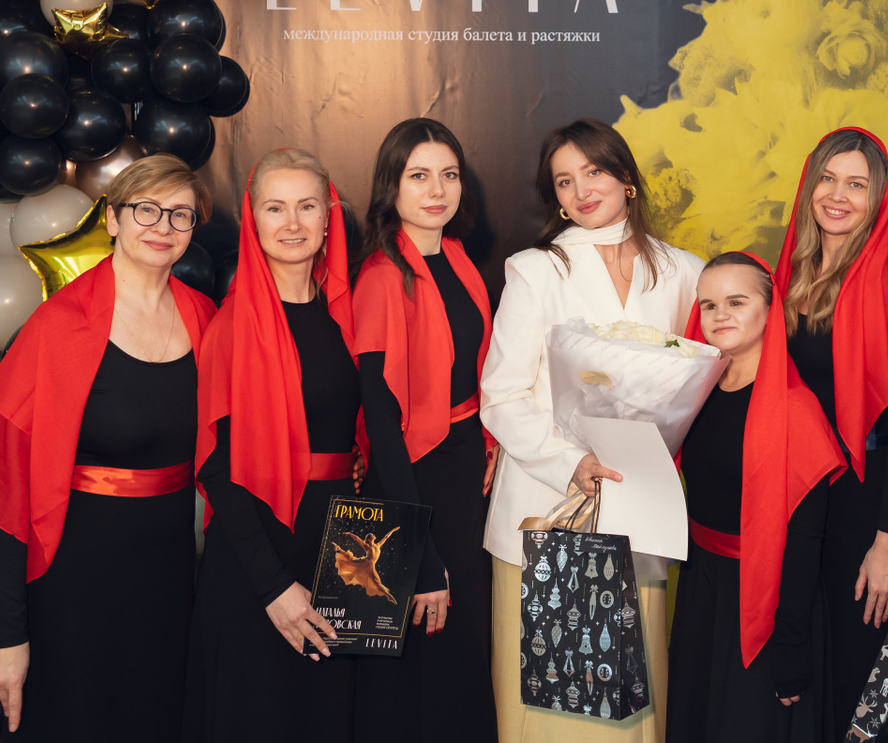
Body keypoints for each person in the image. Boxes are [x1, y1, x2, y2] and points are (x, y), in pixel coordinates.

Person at [0, 154, 218, 741]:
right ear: (112, 219)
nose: (162, 226)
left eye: (180, 214)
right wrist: (6, 634)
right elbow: (6, 492)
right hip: (73, 578)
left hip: (168, 577)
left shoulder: (204, 318)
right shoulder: (55, 327)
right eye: (146, 209)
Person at [481, 117, 704, 743]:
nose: (581, 190)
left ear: (626, 177)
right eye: (564, 180)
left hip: (638, 509)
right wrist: (569, 462)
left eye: (594, 171)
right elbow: (501, 395)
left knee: (628, 698)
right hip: (547, 507)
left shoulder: (685, 271)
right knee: (551, 705)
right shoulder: (536, 270)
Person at [185, 149, 361, 742]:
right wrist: (273, 586)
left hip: (337, 552)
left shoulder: (347, 315)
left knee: (328, 719)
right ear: (252, 220)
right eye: (275, 208)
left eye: (307, 206)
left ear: (328, 219)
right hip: (256, 561)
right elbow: (217, 469)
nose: (292, 223)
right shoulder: (231, 325)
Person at [773, 127, 888, 739]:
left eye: (857, 185)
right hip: (806, 498)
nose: (838, 195)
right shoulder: (791, 279)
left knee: (866, 676)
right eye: (828, 179)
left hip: (868, 509)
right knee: (810, 661)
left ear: (878, 200)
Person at [352, 118, 498, 742]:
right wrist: (422, 556)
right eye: (419, 176)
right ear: (392, 186)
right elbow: (383, 429)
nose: (437, 191)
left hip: (464, 472)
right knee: (418, 664)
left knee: (460, 654)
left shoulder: (460, 260)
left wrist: (490, 443)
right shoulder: (381, 276)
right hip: (411, 482)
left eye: (449, 175)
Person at [669, 253, 843, 743]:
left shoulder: (796, 408)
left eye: (736, 302)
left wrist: (790, 642)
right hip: (702, 589)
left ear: (770, 310)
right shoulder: (695, 393)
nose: (720, 314)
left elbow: (806, 540)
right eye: (709, 305)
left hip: (764, 603)